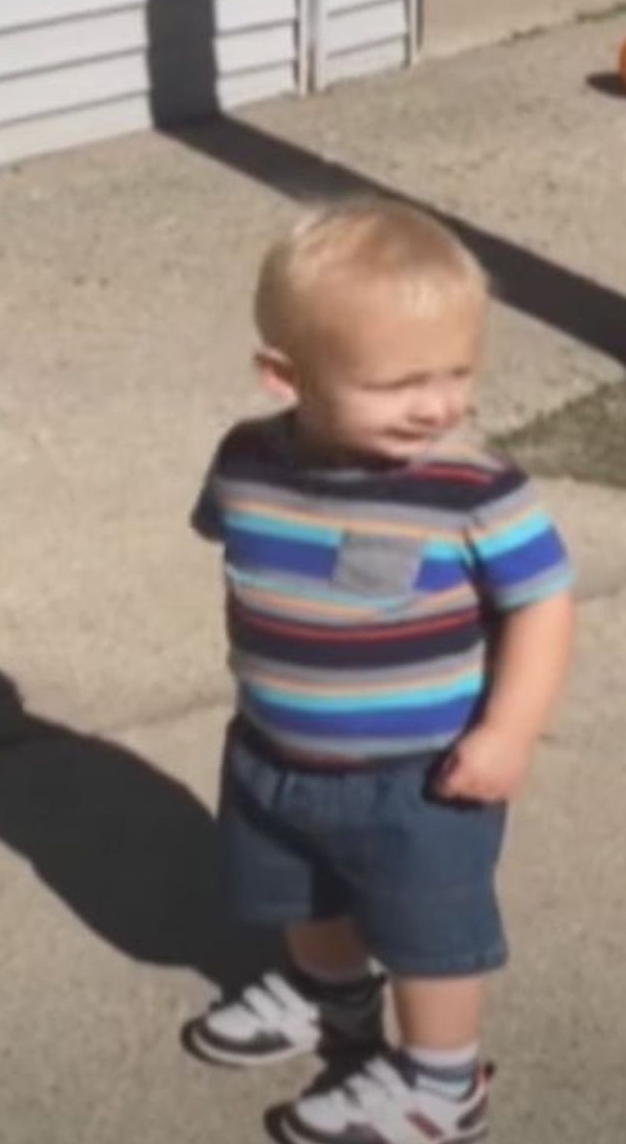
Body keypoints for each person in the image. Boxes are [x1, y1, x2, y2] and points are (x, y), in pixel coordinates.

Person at [185, 198, 574, 1143]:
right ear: (287, 376)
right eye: (398, 382)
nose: (437, 404)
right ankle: (332, 1000)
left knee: (431, 936)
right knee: (299, 895)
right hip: (275, 749)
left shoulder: (470, 484)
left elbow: (542, 602)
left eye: (457, 372)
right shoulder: (244, 461)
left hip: (423, 778)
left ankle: (445, 1083)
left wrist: (508, 731)